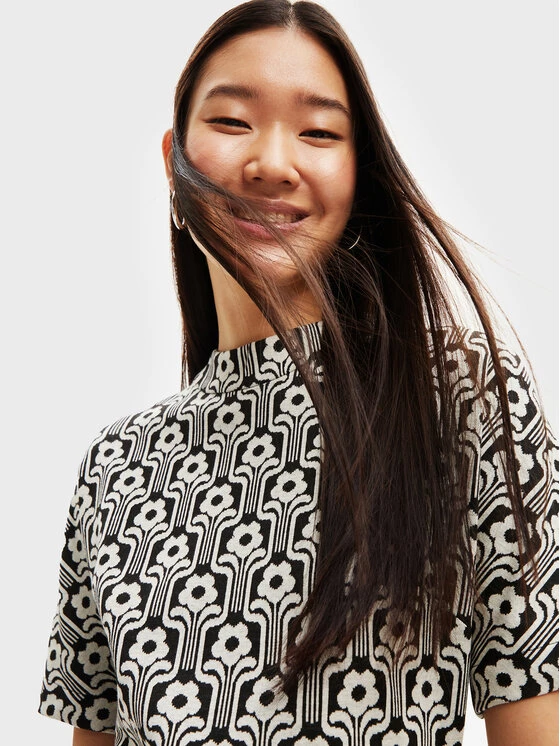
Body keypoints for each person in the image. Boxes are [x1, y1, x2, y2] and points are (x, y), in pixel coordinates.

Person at [38, 1, 558, 744]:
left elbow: (537, 702)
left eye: (318, 132)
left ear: (358, 173)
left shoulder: (457, 393)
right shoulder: (114, 467)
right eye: (231, 121)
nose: (273, 163)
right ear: (172, 161)